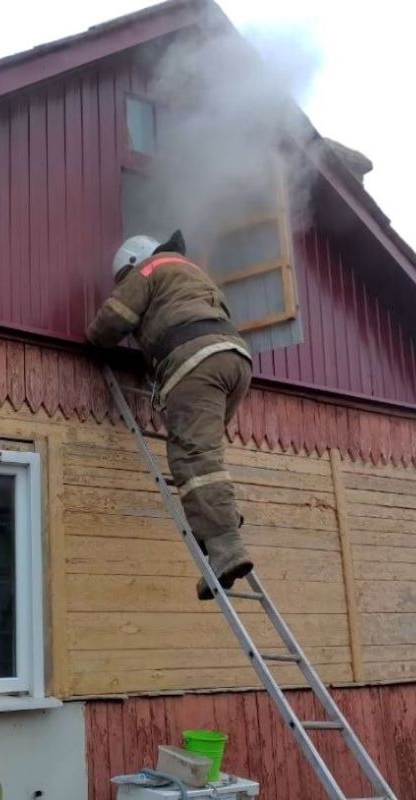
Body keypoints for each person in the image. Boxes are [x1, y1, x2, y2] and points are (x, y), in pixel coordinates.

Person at [86, 230, 254, 599]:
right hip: (235, 360)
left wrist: (94, 338)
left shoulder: (147, 270)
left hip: (196, 363)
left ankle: (226, 545)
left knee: (192, 459)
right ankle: (215, 534)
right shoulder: (190, 271)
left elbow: (115, 317)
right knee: (206, 458)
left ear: (133, 262)